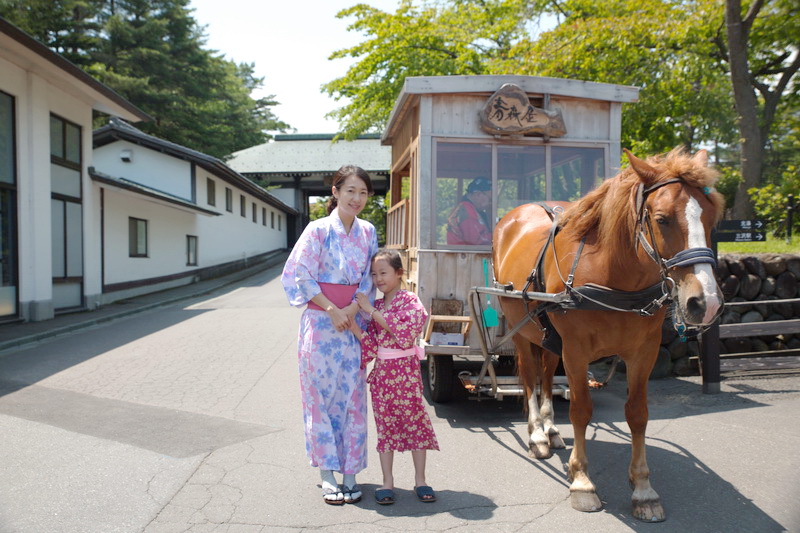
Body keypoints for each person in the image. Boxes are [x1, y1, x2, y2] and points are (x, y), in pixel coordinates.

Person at [281, 165, 379, 506]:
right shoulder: (317, 230)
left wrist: (351, 311)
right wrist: (330, 309)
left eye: (363, 192)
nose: (357, 198)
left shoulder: (367, 232)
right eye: (350, 190)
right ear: (335, 192)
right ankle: (327, 474)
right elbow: (301, 274)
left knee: (352, 399)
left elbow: (369, 278)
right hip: (321, 323)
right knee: (319, 400)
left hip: (352, 325)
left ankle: (351, 474)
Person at [351, 249, 440, 505]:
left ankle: (420, 480)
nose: (378, 279)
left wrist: (370, 311)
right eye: (374, 274)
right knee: (385, 428)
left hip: (406, 375)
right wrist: (356, 327)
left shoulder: (411, 301)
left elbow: (406, 330)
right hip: (382, 378)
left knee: (416, 426)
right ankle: (387, 481)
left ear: (399, 273)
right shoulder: (376, 305)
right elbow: (371, 344)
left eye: (383, 273)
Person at [446, 177, 492, 245]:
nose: (491, 203)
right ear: (478, 194)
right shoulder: (467, 211)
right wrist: (498, 236)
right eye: (490, 199)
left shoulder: (468, 208)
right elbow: (476, 242)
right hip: (463, 254)